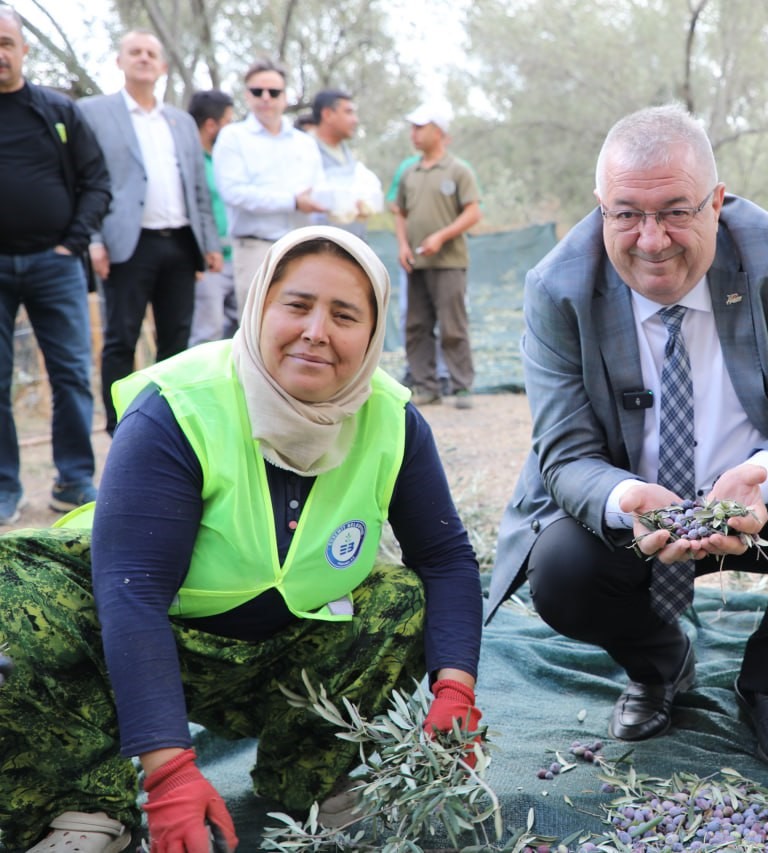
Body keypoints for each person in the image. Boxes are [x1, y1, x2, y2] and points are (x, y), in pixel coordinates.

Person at [0, 226, 484, 852]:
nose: (316, 331)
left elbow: (445, 559)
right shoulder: (179, 408)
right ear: (258, 308)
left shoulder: (390, 421)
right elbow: (135, 593)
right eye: (297, 305)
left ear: (372, 334)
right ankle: (86, 804)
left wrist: (455, 688)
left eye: (344, 315)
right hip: (134, 639)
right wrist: (169, 770)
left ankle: (306, 777)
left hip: (276, 652)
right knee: (13, 600)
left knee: (400, 599)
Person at [487, 105, 768, 773]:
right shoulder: (556, 289)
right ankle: (660, 664)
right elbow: (564, 454)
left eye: (676, 210)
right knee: (558, 568)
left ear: (718, 201)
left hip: (766, 507)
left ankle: (767, 685)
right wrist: (625, 499)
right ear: (601, 208)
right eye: (626, 214)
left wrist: (764, 475)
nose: (652, 240)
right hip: (639, 517)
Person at [79, 31, 222, 436]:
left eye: (151, 53)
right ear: (119, 62)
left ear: (162, 66)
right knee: (120, 338)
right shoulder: (95, 113)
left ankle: (168, 424)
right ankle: (119, 426)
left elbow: (197, 185)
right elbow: (85, 180)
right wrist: (93, 240)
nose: (143, 58)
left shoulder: (180, 121)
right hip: (127, 244)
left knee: (176, 341)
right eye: (134, 52)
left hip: (179, 242)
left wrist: (208, 243)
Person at [0, 5, 110, 522]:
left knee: (71, 374)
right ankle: (4, 487)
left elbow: (97, 181)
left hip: (56, 263)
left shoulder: (58, 111)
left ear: (23, 49)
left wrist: (73, 242)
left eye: (5, 43)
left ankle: (74, 481)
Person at [213, 58, 326, 313]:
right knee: (257, 328)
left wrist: (341, 205)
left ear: (285, 97)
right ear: (247, 95)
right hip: (255, 249)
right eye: (257, 91)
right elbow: (234, 193)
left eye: (274, 92)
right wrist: (293, 201)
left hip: (302, 248)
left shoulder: (304, 142)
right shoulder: (233, 137)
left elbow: (319, 190)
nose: (266, 97)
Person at [394, 102, 482, 408]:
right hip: (415, 264)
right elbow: (400, 213)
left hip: (449, 263)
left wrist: (441, 237)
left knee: (452, 325)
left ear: (439, 132)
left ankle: (460, 387)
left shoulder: (458, 170)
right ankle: (426, 386)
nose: (414, 134)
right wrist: (403, 245)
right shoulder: (410, 172)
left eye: (420, 127)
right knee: (416, 326)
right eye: (413, 128)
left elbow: (473, 213)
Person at [186, 89, 239, 346]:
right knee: (207, 333)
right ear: (210, 125)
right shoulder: (188, 163)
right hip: (206, 264)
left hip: (236, 258)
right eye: (228, 122)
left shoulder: (224, 161)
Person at [310, 88, 378, 239]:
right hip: (319, 248)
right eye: (348, 112)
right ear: (327, 114)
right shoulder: (306, 152)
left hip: (353, 245)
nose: (355, 120)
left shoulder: (349, 156)